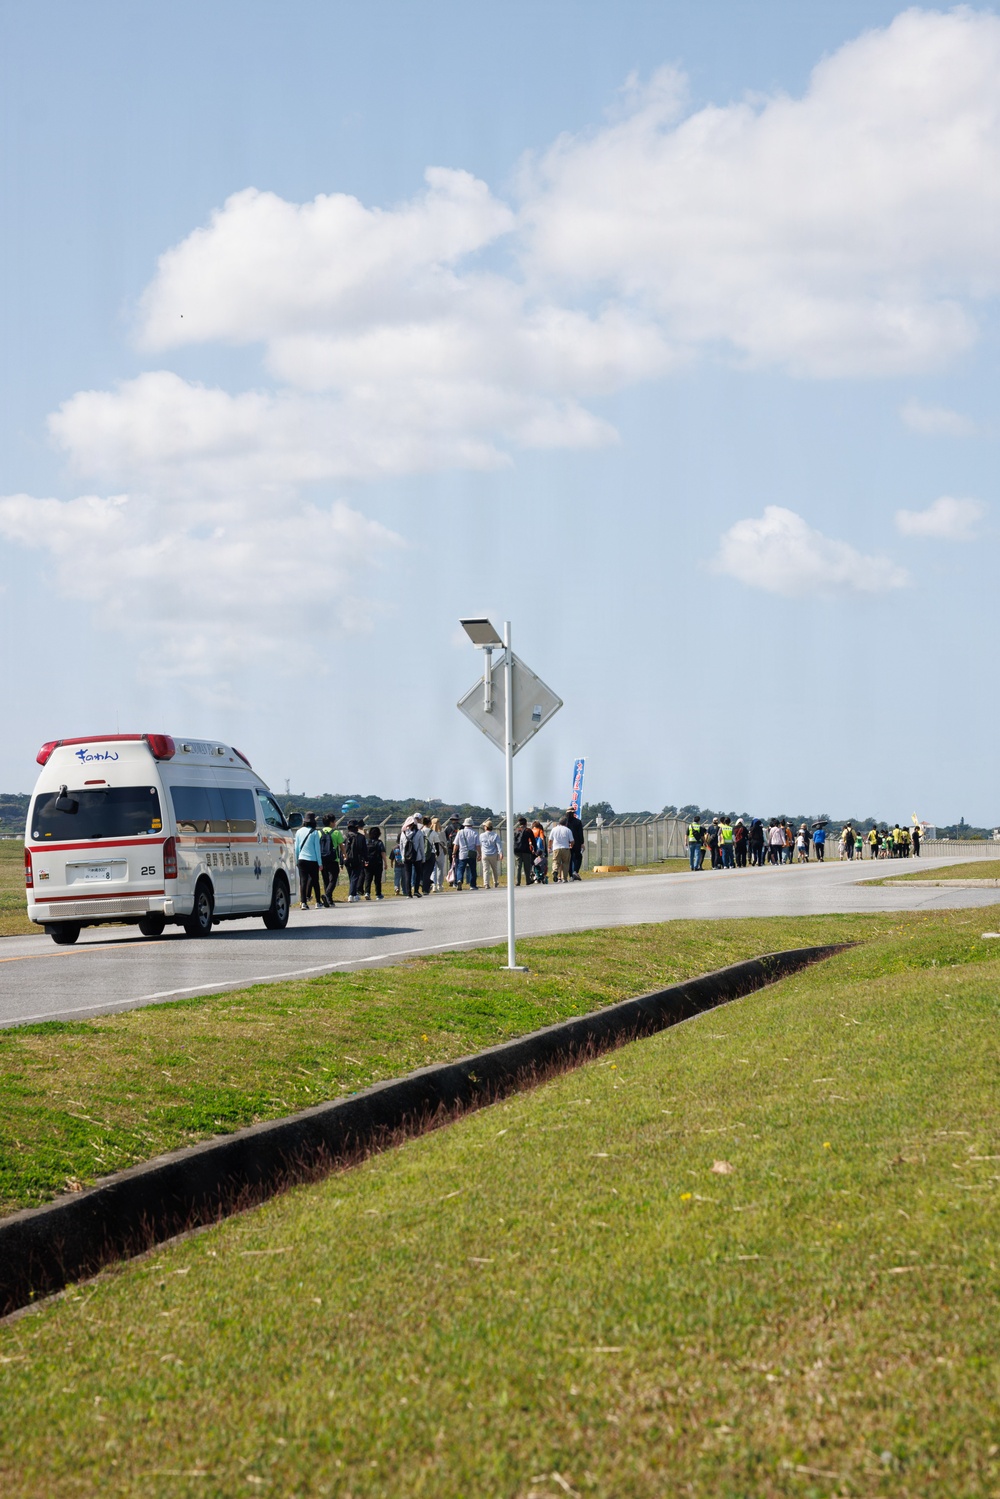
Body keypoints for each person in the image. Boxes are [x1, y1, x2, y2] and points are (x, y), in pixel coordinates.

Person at [294, 812, 325, 910]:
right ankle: (318, 902)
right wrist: (320, 863)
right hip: (312, 860)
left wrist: (296, 860)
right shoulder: (315, 832)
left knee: (303, 881)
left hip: (301, 859)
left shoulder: (298, 832)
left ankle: (303, 902)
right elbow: (317, 849)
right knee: (315, 881)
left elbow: (296, 848)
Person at [319, 812, 343, 905]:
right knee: (333, 879)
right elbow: (341, 846)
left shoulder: (319, 832)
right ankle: (328, 895)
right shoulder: (336, 832)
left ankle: (329, 900)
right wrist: (344, 854)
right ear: (331, 822)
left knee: (325, 879)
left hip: (322, 859)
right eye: (334, 821)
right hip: (333, 859)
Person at [399, 816, 426, 897]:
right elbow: (421, 846)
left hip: (406, 856)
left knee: (408, 874)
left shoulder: (403, 833)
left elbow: (401, 846)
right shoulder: (419, 833)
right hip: (417, 856)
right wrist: (423, 857)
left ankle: (408, 893)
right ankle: (416, 891)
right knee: (418, 874)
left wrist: (402, 856)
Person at [344, 819, 367, 902]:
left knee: (351, 877)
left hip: (346, 859)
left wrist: (341, 862)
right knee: (355, 877)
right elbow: (364, 850)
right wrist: (366, 860)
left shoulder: (345, 836)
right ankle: (351, 894)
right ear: (357, 827)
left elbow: (342, 849)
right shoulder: (361, 837)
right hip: (357, 859)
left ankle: (354, 894)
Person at [453, 817, 480, 889]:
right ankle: (472, 885)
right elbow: (477, 845)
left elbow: (456, 844)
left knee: (460, 869)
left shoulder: (460, 832)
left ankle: (459, 880)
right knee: (472, 869)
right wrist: (479, 854)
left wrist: (454, 853)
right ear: (472, 825)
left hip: (462, 853)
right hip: (472, 853)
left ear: (464, 824)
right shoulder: (475, 833)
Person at [364, 826, 387, 900]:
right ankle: (378, 894)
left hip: (368, 862)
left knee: (368, 878)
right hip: (378, 863)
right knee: (377, 879)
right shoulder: (379, 843)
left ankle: (367, 892)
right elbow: (383, 853)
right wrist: (385, 863)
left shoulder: (367, 842)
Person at [549, 816, 574, 882]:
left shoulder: (554, 829)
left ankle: (555, 871)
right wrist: (571, 845)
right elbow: (572, 841)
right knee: (565, 863)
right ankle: (564, 878)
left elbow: (550, 840)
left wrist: (549, 847)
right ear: (566, 823)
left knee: (556, 861)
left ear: (559, 822)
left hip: (556, 848)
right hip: (565, 848)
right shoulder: (568, 830)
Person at [480, 819, 503, 888]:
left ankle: (486, 883)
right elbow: (498, 845)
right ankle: (495, 882)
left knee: (485, 870)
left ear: (486, 827)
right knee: (494, 869)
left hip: (485, 854)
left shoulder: (481, 835)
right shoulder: (495, 835)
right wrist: (500, 853)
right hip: (493, 854)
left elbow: (480, 844)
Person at [427, 816, 447, 890]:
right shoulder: (441, 833)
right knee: (440, 869)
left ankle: (434, 885)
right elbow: (445, 843)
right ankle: (440, 884)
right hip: (440, 852)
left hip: (432, 852)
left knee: (433, 869)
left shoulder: (430, 832)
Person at [514, 817, 535, 885]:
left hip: (517, 850)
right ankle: (528, 880)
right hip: (526, 850)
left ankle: (518, 881)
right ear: (526, 823)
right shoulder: (528, 830)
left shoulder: (516, 830)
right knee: (527, 866)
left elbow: (513, 840)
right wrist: (534, 848)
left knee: (518, 866)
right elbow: (533, 840)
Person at [566, 807, 585, 881]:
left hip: (567, 843)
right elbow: (580, 833)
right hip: (576, 842)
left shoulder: (565, 822)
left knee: (569, 860)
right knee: (578, 857)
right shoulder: (577, 822)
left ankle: (571, 875)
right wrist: (582, 843)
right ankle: (575, 871)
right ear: (573, 813)